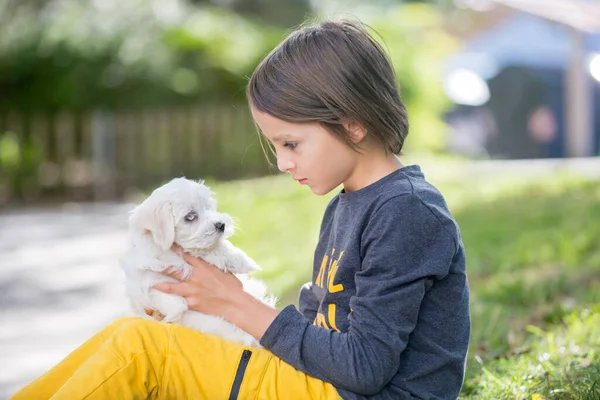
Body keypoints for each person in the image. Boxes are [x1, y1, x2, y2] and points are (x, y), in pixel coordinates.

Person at [11, 19, 470, 400]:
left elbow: (365, 367)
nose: (283, 162)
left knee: (140, 349)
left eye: (291, 143)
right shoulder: (349, 204)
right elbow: (316, 324)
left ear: (351, 124)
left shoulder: (408, 212)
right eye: (276, 146)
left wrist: (234, 302)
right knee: (127, 334)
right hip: (318, 383)